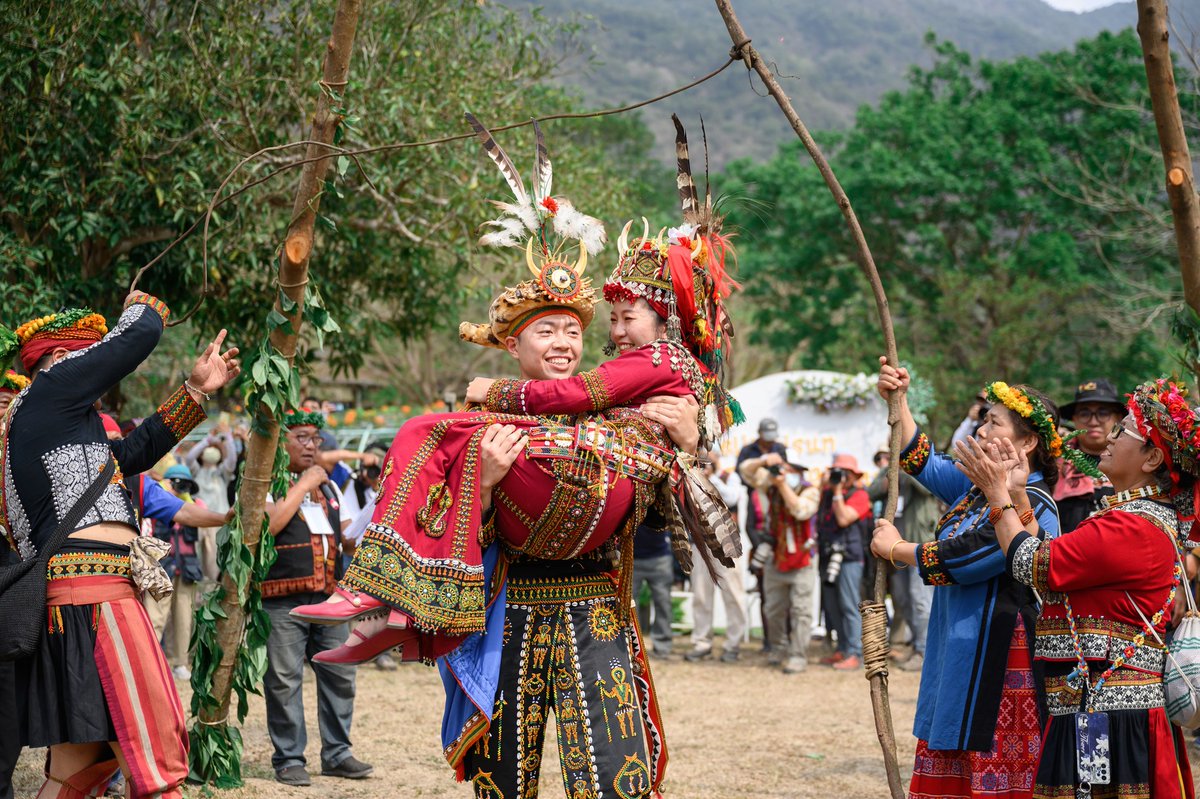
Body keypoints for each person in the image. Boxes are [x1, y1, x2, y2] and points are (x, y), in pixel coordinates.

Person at [294, 115, 742, 797]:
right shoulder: (484, 421)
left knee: (613, 775)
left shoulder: (612, 406)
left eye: (575, 331)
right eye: (547, 332)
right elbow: (445, 520)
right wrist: (484, 476)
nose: (565, 343)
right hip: (513, 604)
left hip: (598, 602)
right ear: (515, 347)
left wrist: (689, 444)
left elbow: (656, 512)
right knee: (503, 780)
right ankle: (383, 604)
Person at [0, 294, 238, 799]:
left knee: (77, 771)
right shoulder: (49, 392)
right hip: (97, 599)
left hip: (84, 600)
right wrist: (144, 305)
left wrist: (195, 390)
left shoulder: (64, 429)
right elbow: (138, 337)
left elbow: (133, 452)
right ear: (60, 361)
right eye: (88, 356)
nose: (100, 379)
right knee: (157, 757)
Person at [956, 377, 1196, 798]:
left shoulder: (1132, 525)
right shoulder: (1131, 517)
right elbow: (1052, 567)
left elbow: (1034, 564)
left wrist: (996, 494)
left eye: (1124, 431)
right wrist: (1016, 493)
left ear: (1153, 457)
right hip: (1099, 704)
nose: (1109, 436)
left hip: (1112, 711)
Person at [872, 360, 1076, 799]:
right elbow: (920, 458)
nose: (981, 430)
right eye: (983, 419)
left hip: (1000, 656)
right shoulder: (974, 492)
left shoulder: (1035, 503)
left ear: (1028, 442)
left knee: (993, 761)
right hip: (961, 648)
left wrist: (896, 549)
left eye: (994, 422)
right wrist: (899, 397)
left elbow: (971, 556)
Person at [262, 409, 371, 786]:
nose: (312, 446)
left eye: (316, 439)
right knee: (283, 679)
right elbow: (269, 525)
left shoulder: (330, 487)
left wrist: (375, 518)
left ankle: (337, 754)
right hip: (282, 600)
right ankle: (289, 758)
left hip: (329, 598)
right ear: (280, 441)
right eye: (302, 438)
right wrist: (303, 483)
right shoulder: (265, 479)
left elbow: (346, 538)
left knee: (340, 674)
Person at [739, 450, 819, 673]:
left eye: (792, 469)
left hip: (803, 559)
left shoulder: (811, 490)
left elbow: (801, 511)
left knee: (801, 611)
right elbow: (745, 471)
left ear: (800, 472)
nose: (787, 473)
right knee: (772, 608)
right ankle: (778, 648)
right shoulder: (770, 483)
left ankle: (798, 655)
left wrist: (783, 485)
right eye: (786, 467)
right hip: (776, 555)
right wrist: (764, 461)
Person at [867, 448, 941, 671]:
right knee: (902, 598)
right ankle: (916, 643)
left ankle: (924, 652)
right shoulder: (891, 469)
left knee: (921, 600)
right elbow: (871, 492)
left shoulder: (923, 467)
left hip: (919, 543)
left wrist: (905, 468)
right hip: (894, 547)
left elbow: (927, 488)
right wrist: (889, 472)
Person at [142, 464, 206, 681]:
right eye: (176, 482)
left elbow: (205, 525)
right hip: (160, 567)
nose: (181, 487)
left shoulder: (195, 505)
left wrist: (184, 501)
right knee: (155, 617)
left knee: (184, 618)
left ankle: (181, 663)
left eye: (184, 483)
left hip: (186, 568)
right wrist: (164, 493)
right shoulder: (154, 501)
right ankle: (150, 664)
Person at [686, 450, 749, 663]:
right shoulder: (690, 477)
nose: (704, 462)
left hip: (727, 542)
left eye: (709, 459)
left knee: (733, 594)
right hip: (701, 543)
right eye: (701, 458)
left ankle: (733, 644)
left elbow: (731, 497)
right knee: (701, 596)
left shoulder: (729, 477)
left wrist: (711, 478)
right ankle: (702, 643)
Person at [813, 453, 871, 670]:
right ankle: (842, 649)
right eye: (837, 472)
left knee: (848, 605)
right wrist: (825, 486)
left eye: (844, 473)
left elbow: (844, 518)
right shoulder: (827, 493)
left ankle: (854, 653)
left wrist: (837, 492)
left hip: (849, 558)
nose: (840, 477)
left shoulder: (860, 495)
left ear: (854, 475)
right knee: (832, 606)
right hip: (828, 555)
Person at [1055, 378, 1123, 532]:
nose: (1093, 421)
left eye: (1103, 413)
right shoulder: (1053, 460)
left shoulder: (1135, 463)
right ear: (1074, 418)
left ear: (1118, 417)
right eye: (1085, 413)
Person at [184, 418, 238, 581]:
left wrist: (228, 437)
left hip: (218, 521)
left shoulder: (223, 472)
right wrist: (207, 439)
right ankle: (198, 596)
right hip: (199, 520)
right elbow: (190, 457)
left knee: (214, 562)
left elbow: (232, 460)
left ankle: (212, 592)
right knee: (198, 559)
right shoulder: (196, 471)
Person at [633, 522, 676, 658]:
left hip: (660, 557)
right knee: (629, 605)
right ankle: (631, 647)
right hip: (630, 556)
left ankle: (662, 647)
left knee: (663, 603)